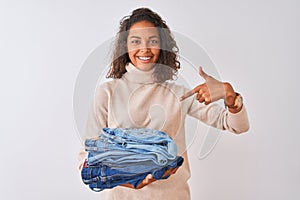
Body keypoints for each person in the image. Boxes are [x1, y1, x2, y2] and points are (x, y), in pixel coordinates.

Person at [79, 7, 249, 200]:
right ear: (125, 47)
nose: (145, 49)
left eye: (153, 41)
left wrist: (229, 94)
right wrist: (131, 183)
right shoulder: (107, 93)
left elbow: (237, 126)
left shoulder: (179, 94)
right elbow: (86, 160)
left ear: (162, 46)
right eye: (136, 41)